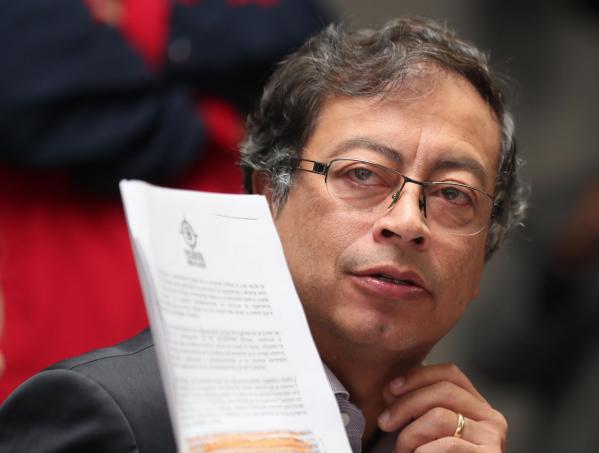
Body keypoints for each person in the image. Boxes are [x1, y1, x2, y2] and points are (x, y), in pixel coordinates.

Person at [0, 16, 527, 452]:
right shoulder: (110, 413)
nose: (408, 221)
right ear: (267, 197)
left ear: (485, 252)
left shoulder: (447, 441)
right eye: (362, 174)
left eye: (453, 194)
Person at [0, 0, 327, 401]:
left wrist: (139, 21)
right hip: (70, 306)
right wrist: (214, 119)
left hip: (234, 307)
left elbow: (308, 56)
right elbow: (26, 95)